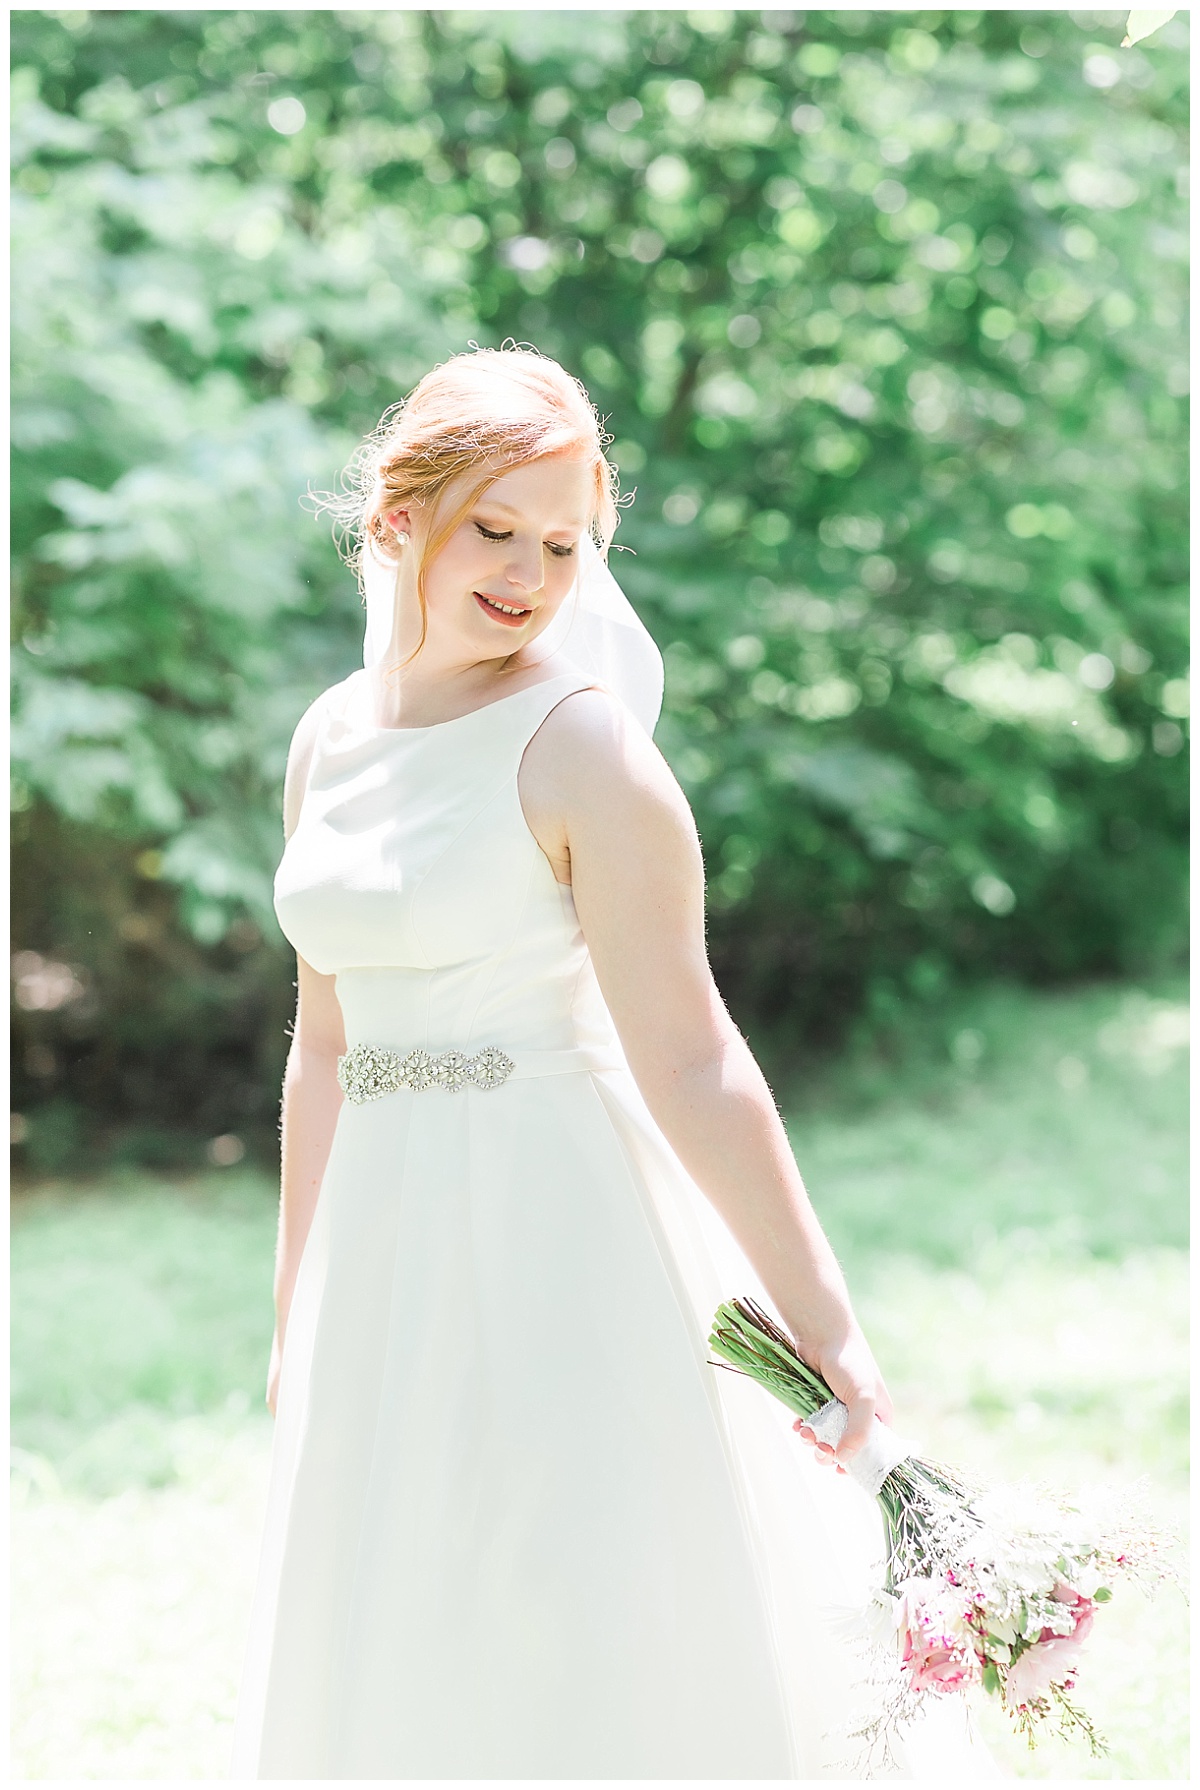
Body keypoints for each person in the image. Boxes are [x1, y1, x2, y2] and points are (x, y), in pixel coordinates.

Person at [230, 345, 997, 1779]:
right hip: (384, 1236)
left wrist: (817, 1312)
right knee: (408, 1608)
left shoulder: (587, 753)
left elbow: (697, 1055)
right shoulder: (329, 738)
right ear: (400, 522)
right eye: (495, 529)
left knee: (576, 1599)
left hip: (557, 1208)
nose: (529, 573)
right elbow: (322, 1047)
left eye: (566, 542)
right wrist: (297, 1303)